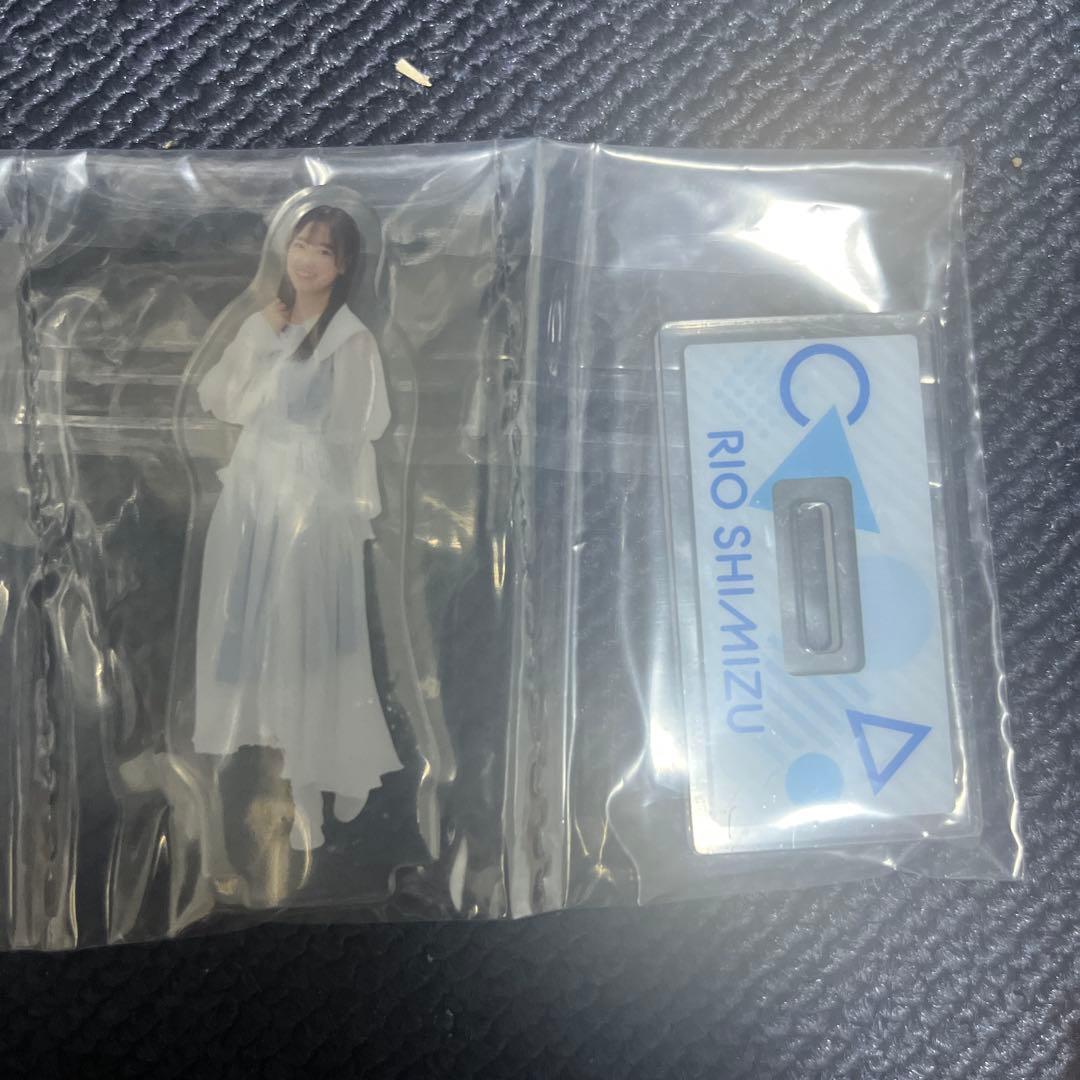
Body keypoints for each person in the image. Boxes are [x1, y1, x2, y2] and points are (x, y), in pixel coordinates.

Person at [194, 204, 402, 850]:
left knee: (311, 644)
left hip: (310, 507)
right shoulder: (267, 325)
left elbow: (360, 427)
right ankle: (297, 780)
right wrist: (260, 336)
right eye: (300, 245)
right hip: (255, 498)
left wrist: (324, 503)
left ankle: (321, 781)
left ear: (343, 266)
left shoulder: (351, 340)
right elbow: (220, 399)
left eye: (323, 250)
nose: (307, 259)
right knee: (259, 640)